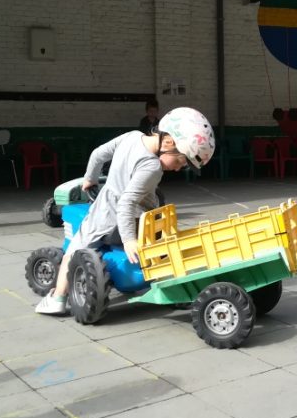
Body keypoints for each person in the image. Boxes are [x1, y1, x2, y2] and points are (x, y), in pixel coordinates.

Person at [36, 107, 215, 315]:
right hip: (131, 218)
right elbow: (127, 203)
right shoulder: (153, 167)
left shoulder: (131, 137)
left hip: (108, 215)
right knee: (75, 250)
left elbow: (97, 155)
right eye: (181, 161)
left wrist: (90, 178)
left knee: (73, 248)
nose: (178, 168)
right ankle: (58, 297)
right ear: (168, 142)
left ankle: (58, 298)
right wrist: (130, 240)